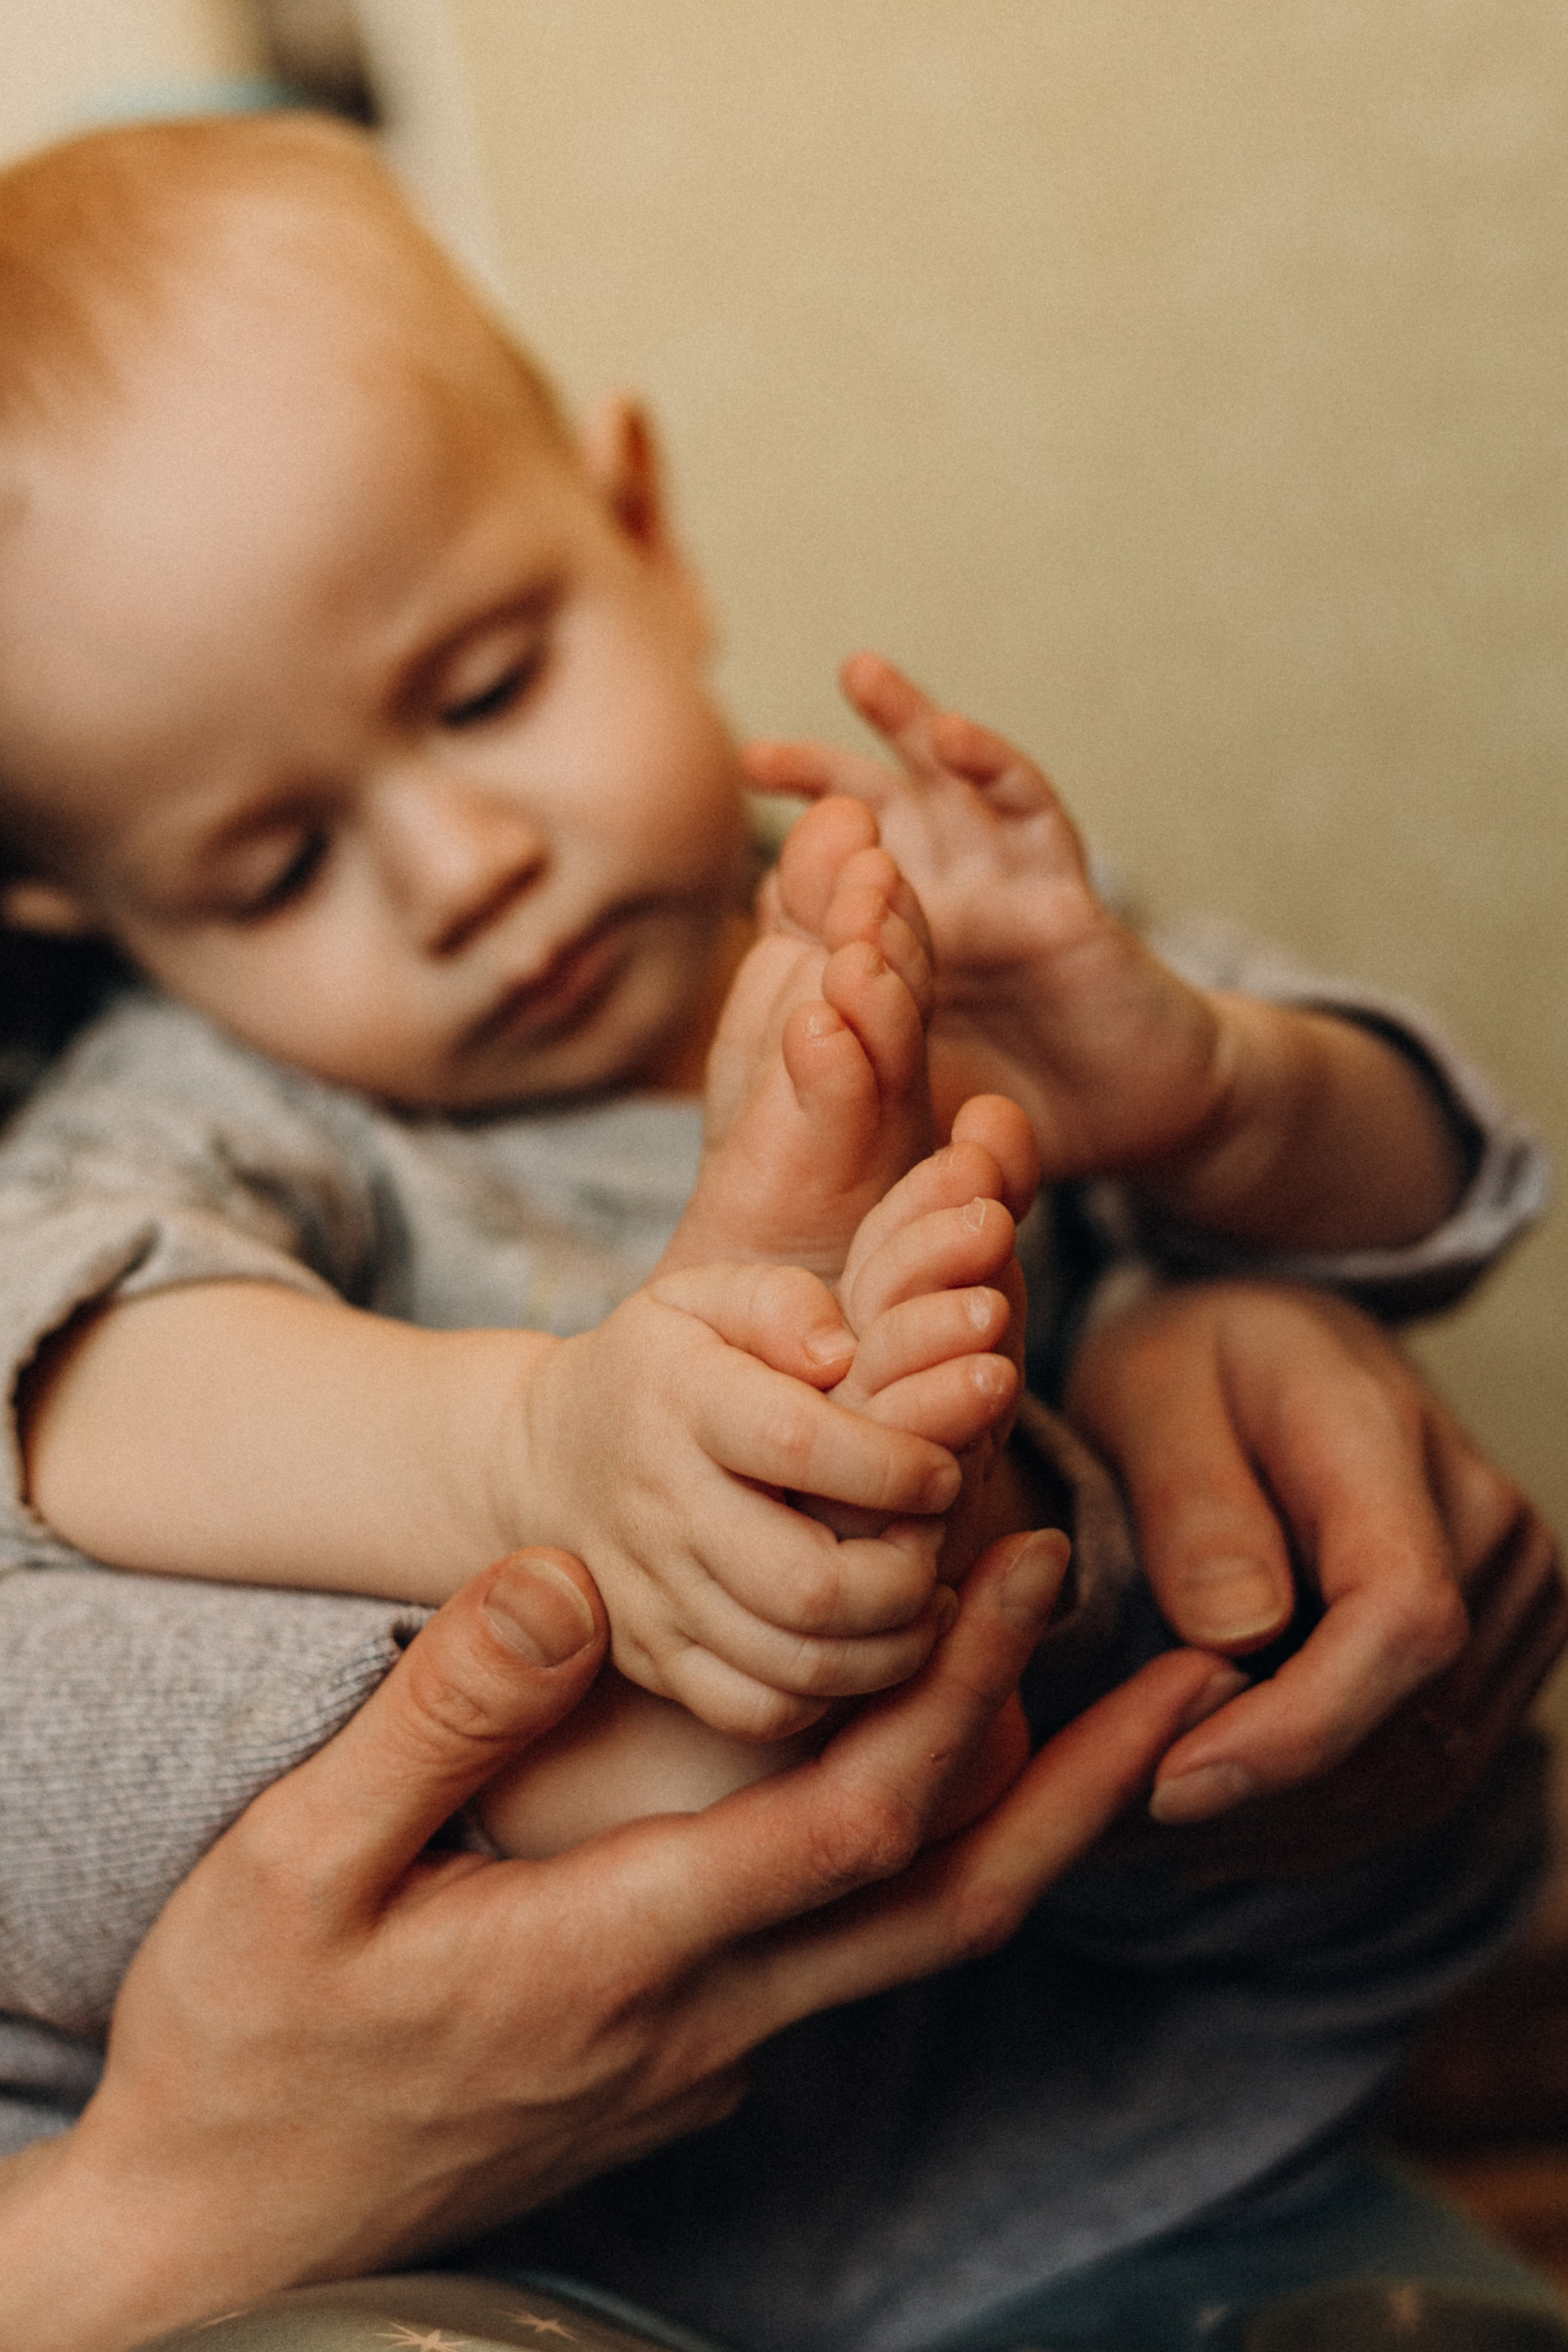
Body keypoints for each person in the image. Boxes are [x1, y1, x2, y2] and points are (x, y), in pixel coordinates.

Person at [0, 109, 1558, 2350]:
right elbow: (71, 1367)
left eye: (485, 690)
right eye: (267, 870)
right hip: (549, 2233)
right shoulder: (253, 1112)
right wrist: (529, 1448)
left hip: (1106, 2153)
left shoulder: (923, 931)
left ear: (640, 523)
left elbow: (1435, 1187)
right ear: (98, 912)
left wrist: (1212, 1090)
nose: (460, 868)